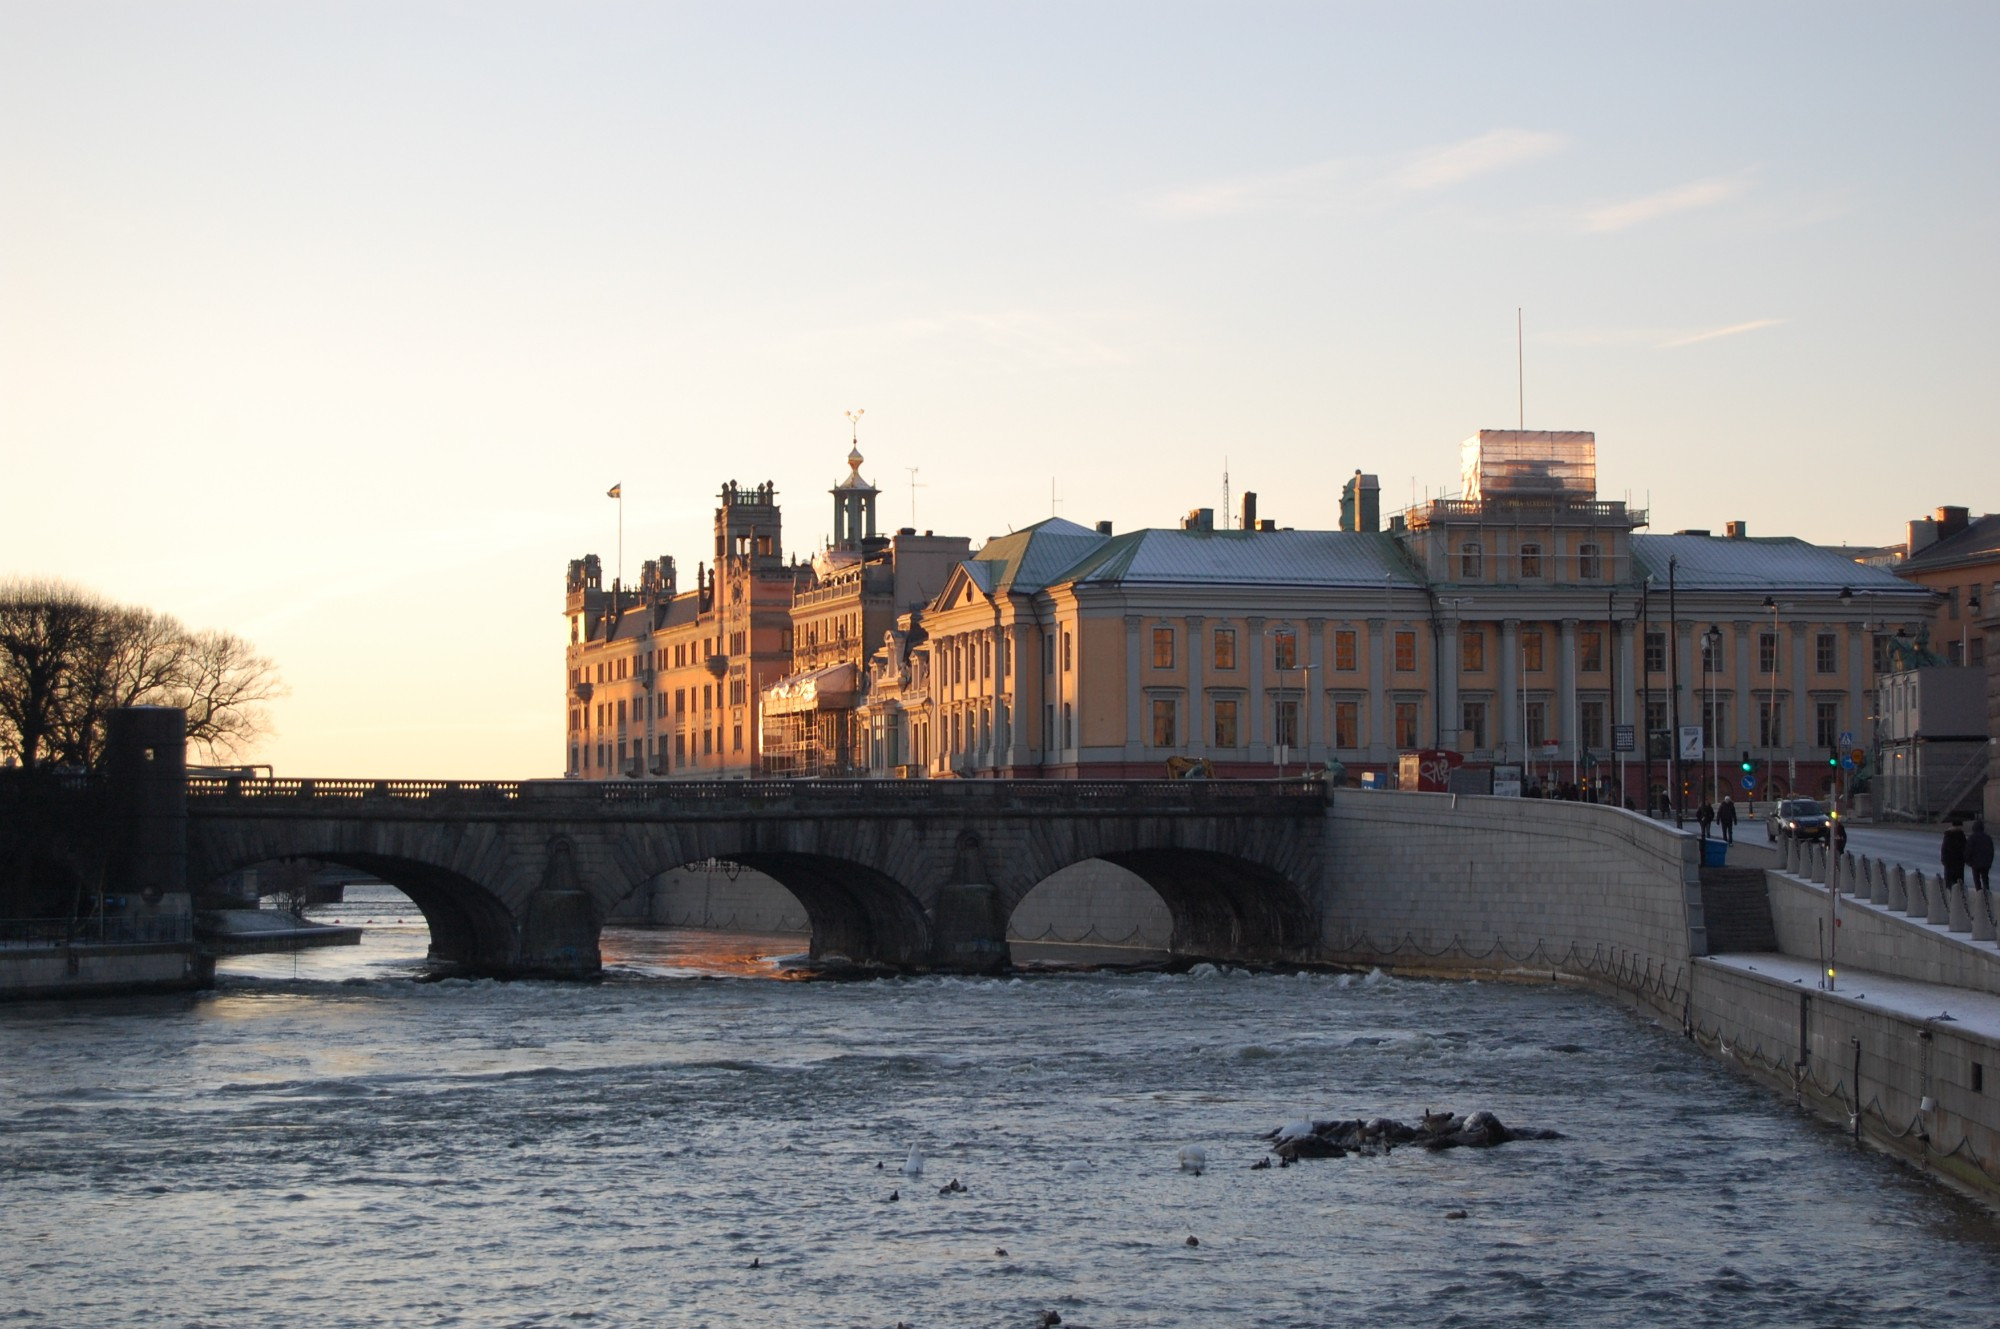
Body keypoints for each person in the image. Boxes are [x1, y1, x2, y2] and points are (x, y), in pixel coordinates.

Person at [1969, 818, 1995, 893]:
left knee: (1977, 880)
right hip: (1986, 863)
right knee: (1985, 879)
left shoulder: (1972, 838)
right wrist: (1989, 862)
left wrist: (1969, 862)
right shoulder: (1987, 838)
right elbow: (1991, 851)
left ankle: (1979, 894)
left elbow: (1968, 851)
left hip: (1975, 863)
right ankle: (1987, 893)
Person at [1942, 818, 1968, 890]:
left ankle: (1953, 895)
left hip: (1954, 862)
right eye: (1960, 826)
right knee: (1955, 883)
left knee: (1954, 883)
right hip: (1954, 862)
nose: (1961, 828)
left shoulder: (1951, 834)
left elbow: (1944, 849)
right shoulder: (1953, 835)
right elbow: (1945, 848)